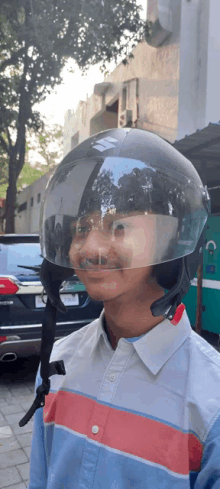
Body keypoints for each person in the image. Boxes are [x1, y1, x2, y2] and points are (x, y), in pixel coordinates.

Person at [25, 128, 220, 488]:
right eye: (81, 229)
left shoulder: (211, 398)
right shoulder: (54, 368)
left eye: (118, 226)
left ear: (172, 240)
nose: (91, 248)